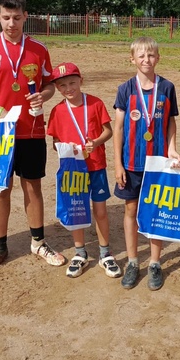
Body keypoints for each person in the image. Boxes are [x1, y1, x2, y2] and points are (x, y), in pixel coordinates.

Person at [0, 0, 65, 274]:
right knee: (0, 188)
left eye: (17, 18)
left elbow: (49, 85)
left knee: (32, 186)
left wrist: (43, 96)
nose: (11, 23)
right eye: (6, 17)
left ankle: (38, 242)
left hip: (31, 130)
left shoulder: (38, 49)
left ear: (25, 17)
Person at [113, 37, 180, 290]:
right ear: (132, 59)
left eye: (151, 55)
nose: (146, 60)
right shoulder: (125, 89)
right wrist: (118, 164)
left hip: (158, 165)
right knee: (131, 211)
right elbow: (118, 129)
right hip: (131, 163)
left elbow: (171, 121)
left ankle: (154, 263)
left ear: (158, 58)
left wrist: (172, 147)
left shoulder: (167, 87)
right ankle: (132, 261)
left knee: (156, 213)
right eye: (141, 56)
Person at [46, 62, 121, 279]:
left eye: (72, 82)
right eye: (62, 85)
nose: (68, 88)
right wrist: (66, 148)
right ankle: (80, 253)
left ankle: (105, 254)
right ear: (58, 88)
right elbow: (55, 142)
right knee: (77, 211)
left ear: (81, 81)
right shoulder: (57, 111)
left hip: (96, 165)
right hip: (73, 170)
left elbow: (108, 131)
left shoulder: (95, 104)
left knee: (100, 211)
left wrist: (95, 142)